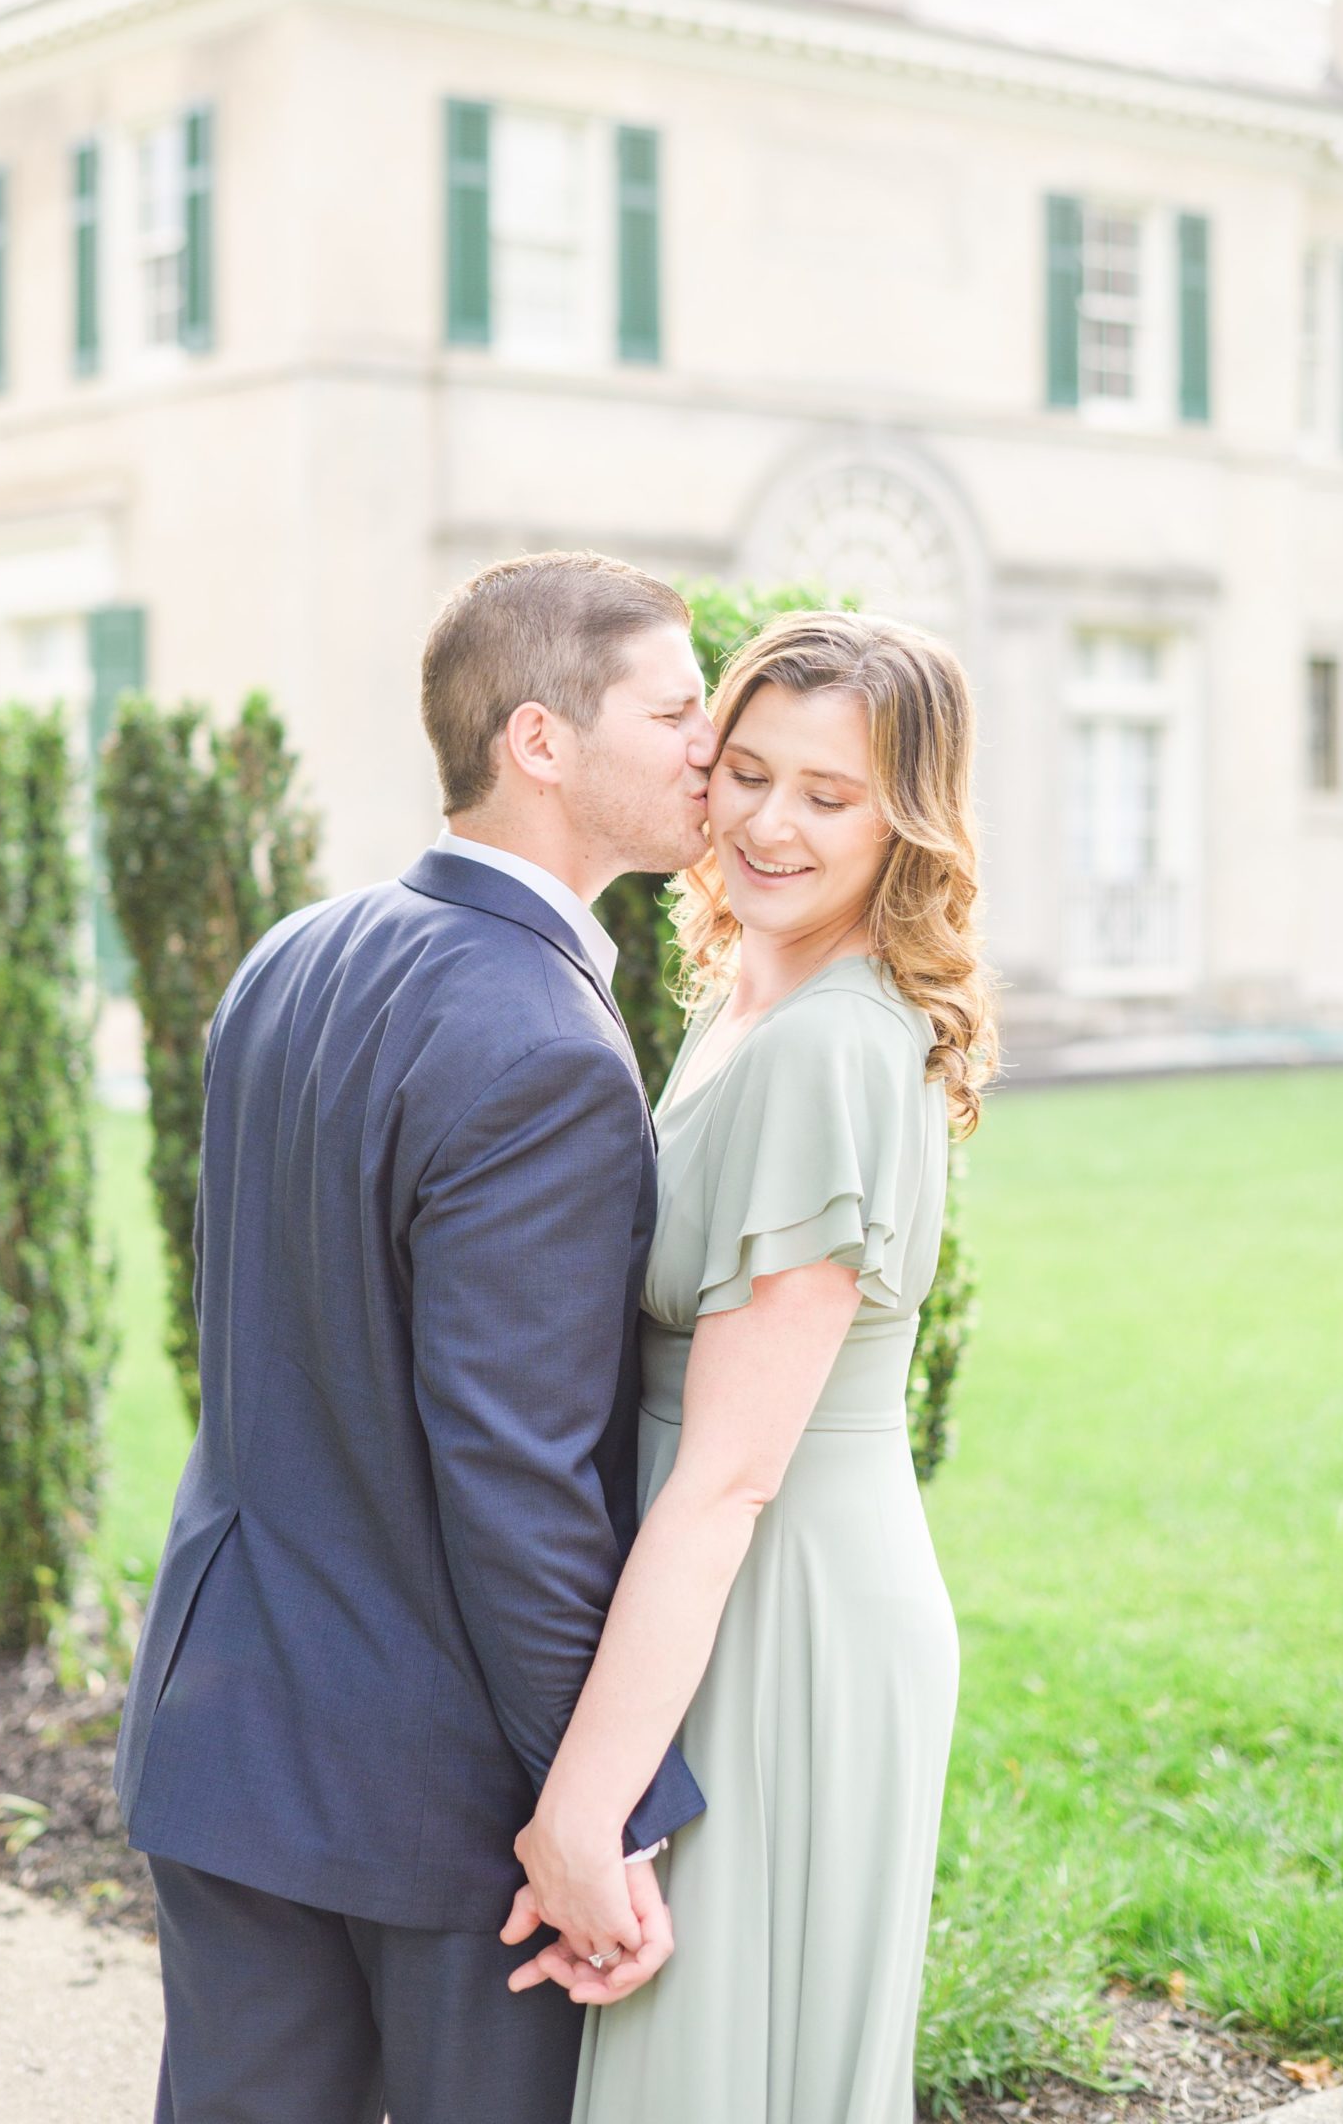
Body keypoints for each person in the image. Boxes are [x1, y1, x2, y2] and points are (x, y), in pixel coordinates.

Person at [114, 550, 718, 2124]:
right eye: (674, 709)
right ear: (540, 741)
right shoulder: (547, 1047)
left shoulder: (289, 957)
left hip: (222, 1729)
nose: (707, 746)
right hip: (434, 1800)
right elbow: (515, 1479)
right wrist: (606, 1810)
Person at [505, 608, 996, 2124]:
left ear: (904, 825)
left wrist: (586, 1808)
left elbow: (725, 1476)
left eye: (831, 796)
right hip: (720, 1601)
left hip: (782, 1617)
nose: (771, 823)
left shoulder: (828, 1049)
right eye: (750, 772)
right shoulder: (753, 999)